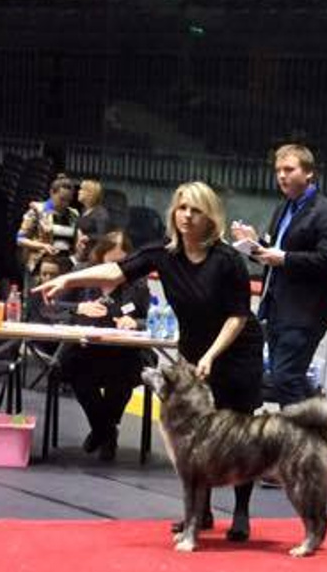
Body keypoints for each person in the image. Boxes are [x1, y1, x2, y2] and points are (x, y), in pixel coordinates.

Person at [38, 182, 265, 540]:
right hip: (196, 349)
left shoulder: (227, 260)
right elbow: (115, 271)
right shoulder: (163, 253)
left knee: (239, 433)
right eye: (182, 208)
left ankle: (240, 512)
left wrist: (211, 355)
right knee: (197, 435)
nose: (187, 216)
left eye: (196, 210)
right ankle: (200, 512)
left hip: (236, 350)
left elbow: (237, 316)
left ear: (210, 217)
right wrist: (68, 278)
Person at [233, 143, 327, 406]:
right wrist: (254, 244)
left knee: (285, 378)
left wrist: (283, 258)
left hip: (306, 311)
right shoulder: (283, 208)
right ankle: (315, 421)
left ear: (309, 173)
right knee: (284, 377)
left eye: (289, 169)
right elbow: (274, 254)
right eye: (278, 170)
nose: (281, 176)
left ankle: (301, 430)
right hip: (276, 307)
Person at [56, 229, 150, 461]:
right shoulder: (80, 275)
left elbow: (149, 319)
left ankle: (102, 432)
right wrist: (78, 308)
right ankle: (105, 431)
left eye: (122, 263)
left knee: (124, 375)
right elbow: (51, 306)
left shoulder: (137, 283)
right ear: (100, 257)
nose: (115, 270)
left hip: (122, 352)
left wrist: (134, 322)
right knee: (78, 373)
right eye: (111, 263)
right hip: (84, 350)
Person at [18, 175, 79, 276]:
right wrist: (43, 246)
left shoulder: (73, 214)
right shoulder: (38, 210)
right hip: (39, 267)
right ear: (52, 193)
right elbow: (20, 239)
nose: (65, 204)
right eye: (62, 199)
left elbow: (75, 241)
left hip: (63, 267)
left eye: (68, 200)